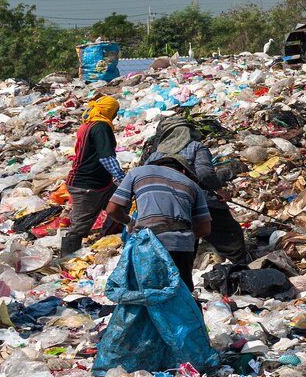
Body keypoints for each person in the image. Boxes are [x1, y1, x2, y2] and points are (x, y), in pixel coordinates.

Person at [141, 114, 247, 264]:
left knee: (184, 245)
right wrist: (219, 190)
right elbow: (204, 174)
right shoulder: (195, 147)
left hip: (163, 208)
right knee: (230, 234)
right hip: (199, 202)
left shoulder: (154, 156)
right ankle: (240, 268)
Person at [104, 155, 212, 293]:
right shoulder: (193, 185)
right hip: (182, 247)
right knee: (181, 294)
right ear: (184, 171)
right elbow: (205, 228)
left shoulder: (138, 172)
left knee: (146, 293)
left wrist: (129, 222)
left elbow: (112, 210)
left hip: (149, 244)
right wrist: (182, 236)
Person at [61, 95, 126, 256]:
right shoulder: (101, 127)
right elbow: (106, 157)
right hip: (86, 185)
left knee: (119, 205)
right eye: (114, 112)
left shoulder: (89, 124)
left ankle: (110, 236)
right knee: (80, 227)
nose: (115, 116)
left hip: (101, 183)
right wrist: (122, 178)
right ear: (108, 110)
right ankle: (67, 258)